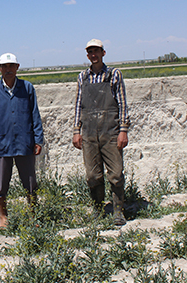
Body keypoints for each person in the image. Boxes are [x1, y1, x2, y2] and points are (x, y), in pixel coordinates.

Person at [72, 39, 130, 226]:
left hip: (111, 132)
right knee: (92, 176)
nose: (93, 54)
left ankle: (118, 211)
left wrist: (123, 130)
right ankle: (97, 209)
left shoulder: (114, 74)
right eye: (90, 52)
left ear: (103, 53)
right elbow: (79, 105)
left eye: (97, 51)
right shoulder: (83, 77)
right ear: (87, 55)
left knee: (115, 174)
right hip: (89, 133)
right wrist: (76, 130)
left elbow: (122, 104)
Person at [0, 53, 44, 227]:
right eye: (4, 66)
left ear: (17, 67)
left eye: (11, 66)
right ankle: (3, 216)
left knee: (30, 181)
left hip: (25, 142)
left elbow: (35, 115)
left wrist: (38, 140)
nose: (8, 69)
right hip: (2, 143)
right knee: (1, 181)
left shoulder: (27, 88)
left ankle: (33, 215)